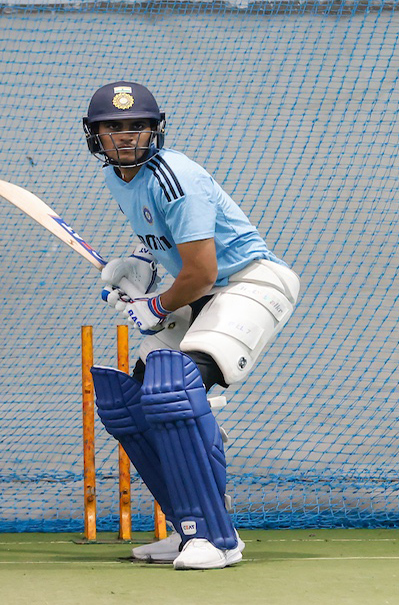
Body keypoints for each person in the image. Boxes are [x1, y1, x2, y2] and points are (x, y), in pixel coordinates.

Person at [82, 81, 301, 570]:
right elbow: (167, 244)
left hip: (248, 283)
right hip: (202, 291)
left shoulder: (173, 177)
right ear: (95, 135)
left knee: (172, 389)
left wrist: (156, 308)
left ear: (155, 130)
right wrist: (138, 265)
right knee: (131, 402)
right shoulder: (120, 178)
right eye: (112, 127)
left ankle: (217, 540)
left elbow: (201, 271)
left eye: (136, 126)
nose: (124, 136)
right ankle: (189, 529)